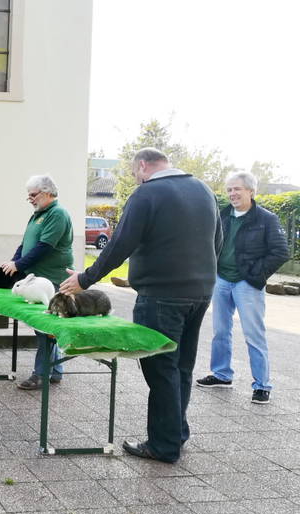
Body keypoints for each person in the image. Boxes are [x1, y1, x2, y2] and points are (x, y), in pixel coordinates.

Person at [60, 148, 222, 463]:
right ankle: (176, 433)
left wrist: (86, 278)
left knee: (160, 367)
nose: (136, 178)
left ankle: (163, 446)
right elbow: (218, 241)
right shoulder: (203, 190)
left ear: (143, 165)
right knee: (182, 366)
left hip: (161, 296)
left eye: (135, 172)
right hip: (201, 292)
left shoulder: (147, 193)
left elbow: (120, 243)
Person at [196, 171, 289, 404]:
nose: (232, 193)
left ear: (251, 191)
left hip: (247, 283)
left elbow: (281, 251)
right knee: (220, 331)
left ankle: (262, 385)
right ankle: (222, 374)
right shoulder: (222, 215)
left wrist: (256, 274)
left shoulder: (266, 219)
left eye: (237, 189)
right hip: (221, 280)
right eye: (229, 189)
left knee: (253, 335)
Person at [0, 174, 74, 391]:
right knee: (46, 329)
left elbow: (44, 247)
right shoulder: (38, 215)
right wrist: (13, 263)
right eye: (29, 195)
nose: (30, 199)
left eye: (33, 195)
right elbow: (25, 244)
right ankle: (56, 371)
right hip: (38, 279)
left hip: (52, 280)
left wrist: (19, 265)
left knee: (45, 329)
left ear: (47, 192)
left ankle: (40, 375)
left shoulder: (57, 213)